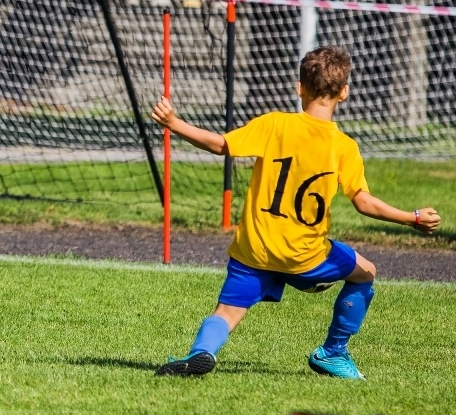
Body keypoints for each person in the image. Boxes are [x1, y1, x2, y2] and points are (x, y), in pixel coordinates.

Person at [150, 46, 440, 379]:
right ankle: (333, 352)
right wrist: (412, 218)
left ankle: (201, 352)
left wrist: (173, 122)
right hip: (306, 256)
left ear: (299, 87)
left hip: (255, 250)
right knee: (365, 273)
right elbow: (363, 202)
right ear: (344, 93)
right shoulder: (343, 146)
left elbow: (221, 145)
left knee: (227, 312)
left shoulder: (275, 124)